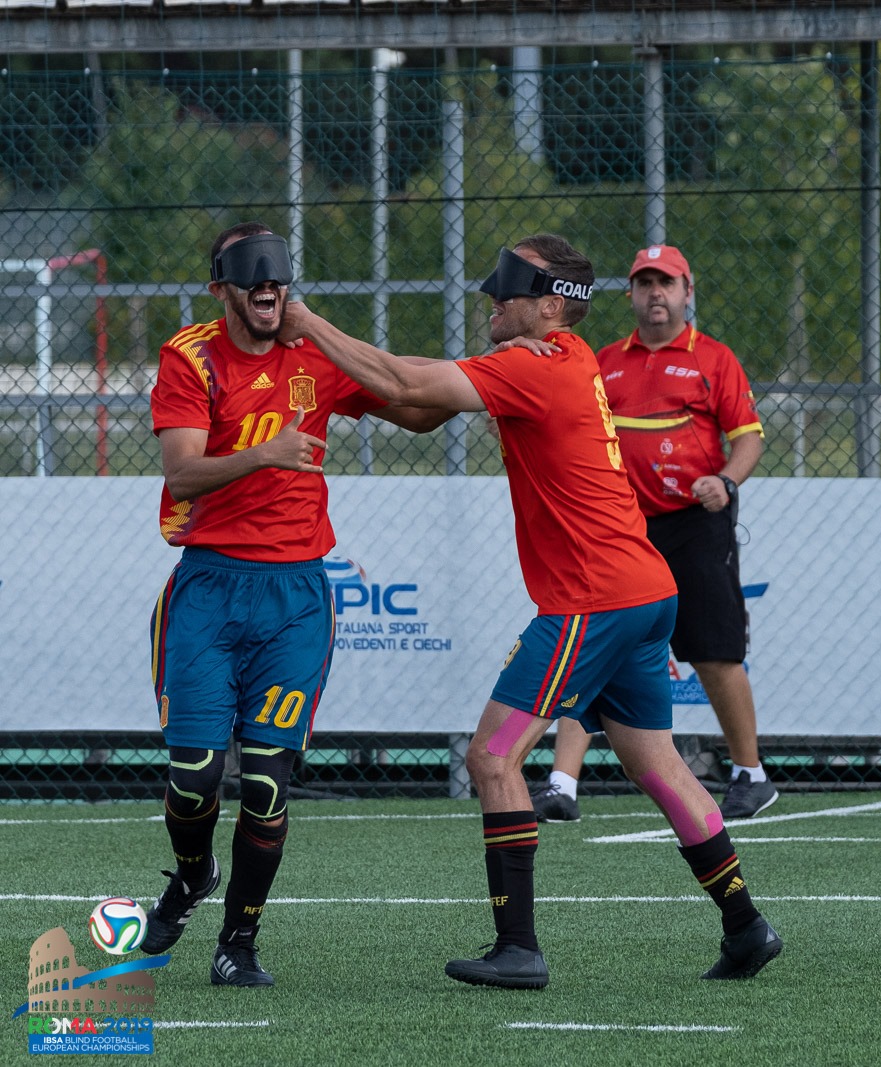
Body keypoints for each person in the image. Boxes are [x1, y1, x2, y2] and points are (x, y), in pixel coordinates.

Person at [278, 234, 782, 988]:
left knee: (491, 756)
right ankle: (746, 926)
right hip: (643, 591)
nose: (491, 302)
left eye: (504, 294)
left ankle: (518, 946)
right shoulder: (569, 356)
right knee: (658, 762)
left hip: (595, 597)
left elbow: (405, 379)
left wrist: (307, 323)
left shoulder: (534, 363)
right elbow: (415, 407)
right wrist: (347, 380)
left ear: (549, 305)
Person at [144, 222, 448, 986]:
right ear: (222, 290)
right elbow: (181, 474)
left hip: (297, 595)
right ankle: (190, 876)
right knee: (193, 777)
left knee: (271, 779)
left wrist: (490, 388)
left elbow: (414, 409)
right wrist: (265, 454)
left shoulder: (313, 355)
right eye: (250, 278)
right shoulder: (189, 356)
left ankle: (237, 943)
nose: (267, 288)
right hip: (209, 587)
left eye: (276, 276)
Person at [530, 245, 773, 823]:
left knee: (715, 653)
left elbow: (750, 437)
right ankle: (563, 783)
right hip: (620, 527)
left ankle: (751, 773)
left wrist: (726, 481)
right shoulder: (604, 360)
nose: (654, 293)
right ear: (631, 294)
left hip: (695, 525)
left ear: (688, 292)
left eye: (666, 282)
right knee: (590, 644)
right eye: (644, 283)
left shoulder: (714, 359)